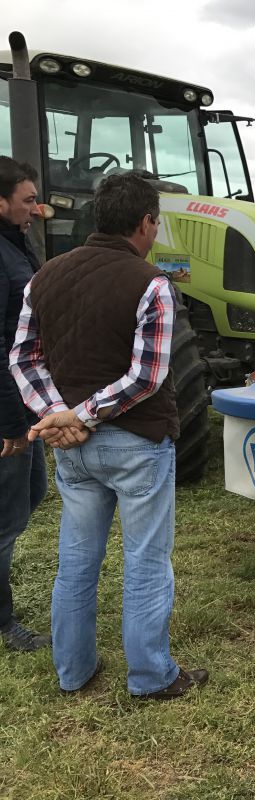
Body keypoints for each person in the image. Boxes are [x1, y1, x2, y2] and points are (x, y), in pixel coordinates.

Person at [10, 173, 208, 698]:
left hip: (73, 451)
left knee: (76, 561)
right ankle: (151, 676)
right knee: (146, 561)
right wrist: (82, 415)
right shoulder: (151, 283)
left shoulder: (43, 277)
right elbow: (147, 376)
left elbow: (23, 358)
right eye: (155, 223)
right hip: (136, 443)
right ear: (145, 223)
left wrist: (58, 414)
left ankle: (73, 671)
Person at [0, 157, 49, 652]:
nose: (37, 208)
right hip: (9, 412)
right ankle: (2, 622)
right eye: (28, 199)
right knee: (6, 517)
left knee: (33, 493)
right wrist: (12, 422)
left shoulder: (18, 244)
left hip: (25, 404)